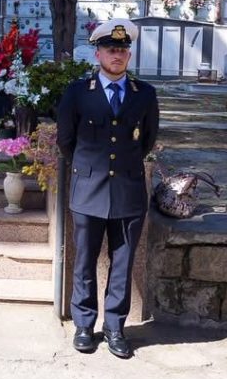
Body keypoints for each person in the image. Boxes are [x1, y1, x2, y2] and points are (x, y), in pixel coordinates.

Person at [56, 19, 159, 359]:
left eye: (123, 50)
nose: (117, 55)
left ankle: (115, 327)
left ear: (129, 55)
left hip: (128, 191)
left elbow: (147, 140)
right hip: (88, 190)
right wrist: (90, 169)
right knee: (85, 260)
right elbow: (66, 141)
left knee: (123, 262)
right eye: (111, 50)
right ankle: (85, 324)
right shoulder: (77, 93)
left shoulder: (145, 94)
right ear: (97, 53)